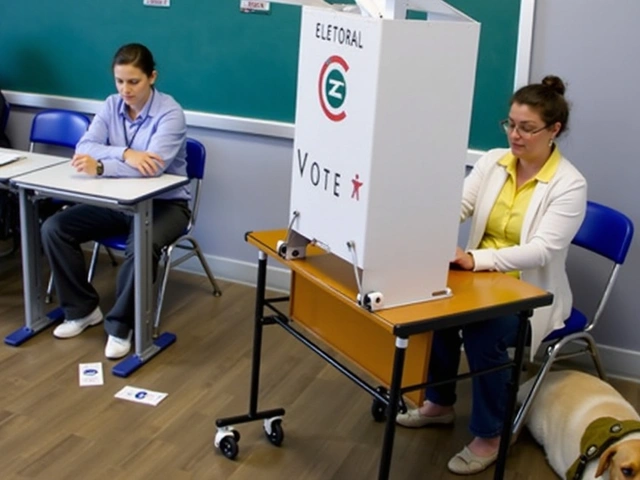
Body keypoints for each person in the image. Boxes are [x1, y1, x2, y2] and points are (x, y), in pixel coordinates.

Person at [396, 75, 587, 475]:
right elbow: (461, 205)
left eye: (527, 128)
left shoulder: (569, 184)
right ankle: (439, 403)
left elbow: (543, 249)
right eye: (511, 124)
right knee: (435, 309)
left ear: (554, 130)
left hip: (528, 292)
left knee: (484, 335)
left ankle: (491, 434)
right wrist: (422, 221)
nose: (515, 136)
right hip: (478, 277)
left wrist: (474, 259)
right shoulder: (493, 162)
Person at [41, 43, 190, 359]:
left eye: (133, 81)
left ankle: (122, 326)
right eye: (120, 81)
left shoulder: (170, 113)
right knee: (55, 228)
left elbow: (153, 169)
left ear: (152, 77)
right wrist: (126, 153)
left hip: (165, 205)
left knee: (142, 242)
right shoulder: (111, 105)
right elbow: (85, 145)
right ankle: (81, 310)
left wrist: (102, 167)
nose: (125, 90)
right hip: (116, 201)